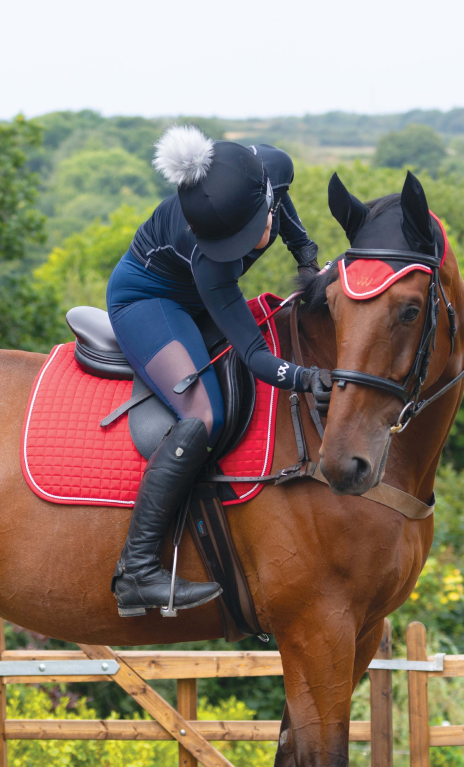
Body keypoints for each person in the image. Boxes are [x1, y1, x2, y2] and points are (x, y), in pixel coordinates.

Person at [107, 126, 324, 616]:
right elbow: (254, 354)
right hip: (149, 300)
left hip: (195, 294)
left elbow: (282, 207)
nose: (245, 246)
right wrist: (304, 378)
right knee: (204, 415)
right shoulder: (210, 261)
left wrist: (308, 259)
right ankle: (137, 571)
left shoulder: (270, 169)